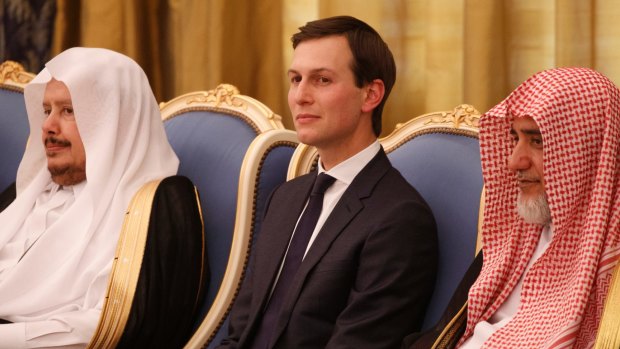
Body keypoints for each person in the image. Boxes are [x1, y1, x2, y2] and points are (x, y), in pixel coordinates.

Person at [217, 16, 438, 349]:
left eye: (321, 79)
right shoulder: (285, 197)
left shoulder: (399, 218)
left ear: (371, 95)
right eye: (295, 79)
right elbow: (241, 332)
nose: (300, 96)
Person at [0, 47, 207, 348]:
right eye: (47, 111)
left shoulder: (159, 205)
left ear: (116, 120)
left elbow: (116, 326)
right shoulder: (26, 193)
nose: (48, 127)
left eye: (68, 111)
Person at [403, 67, 620, 348]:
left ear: (586, 148)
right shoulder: (515, 235)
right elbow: (443, 334)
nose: (514, 161)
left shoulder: (610, 259)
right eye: (514, 138)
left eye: (537, 141)